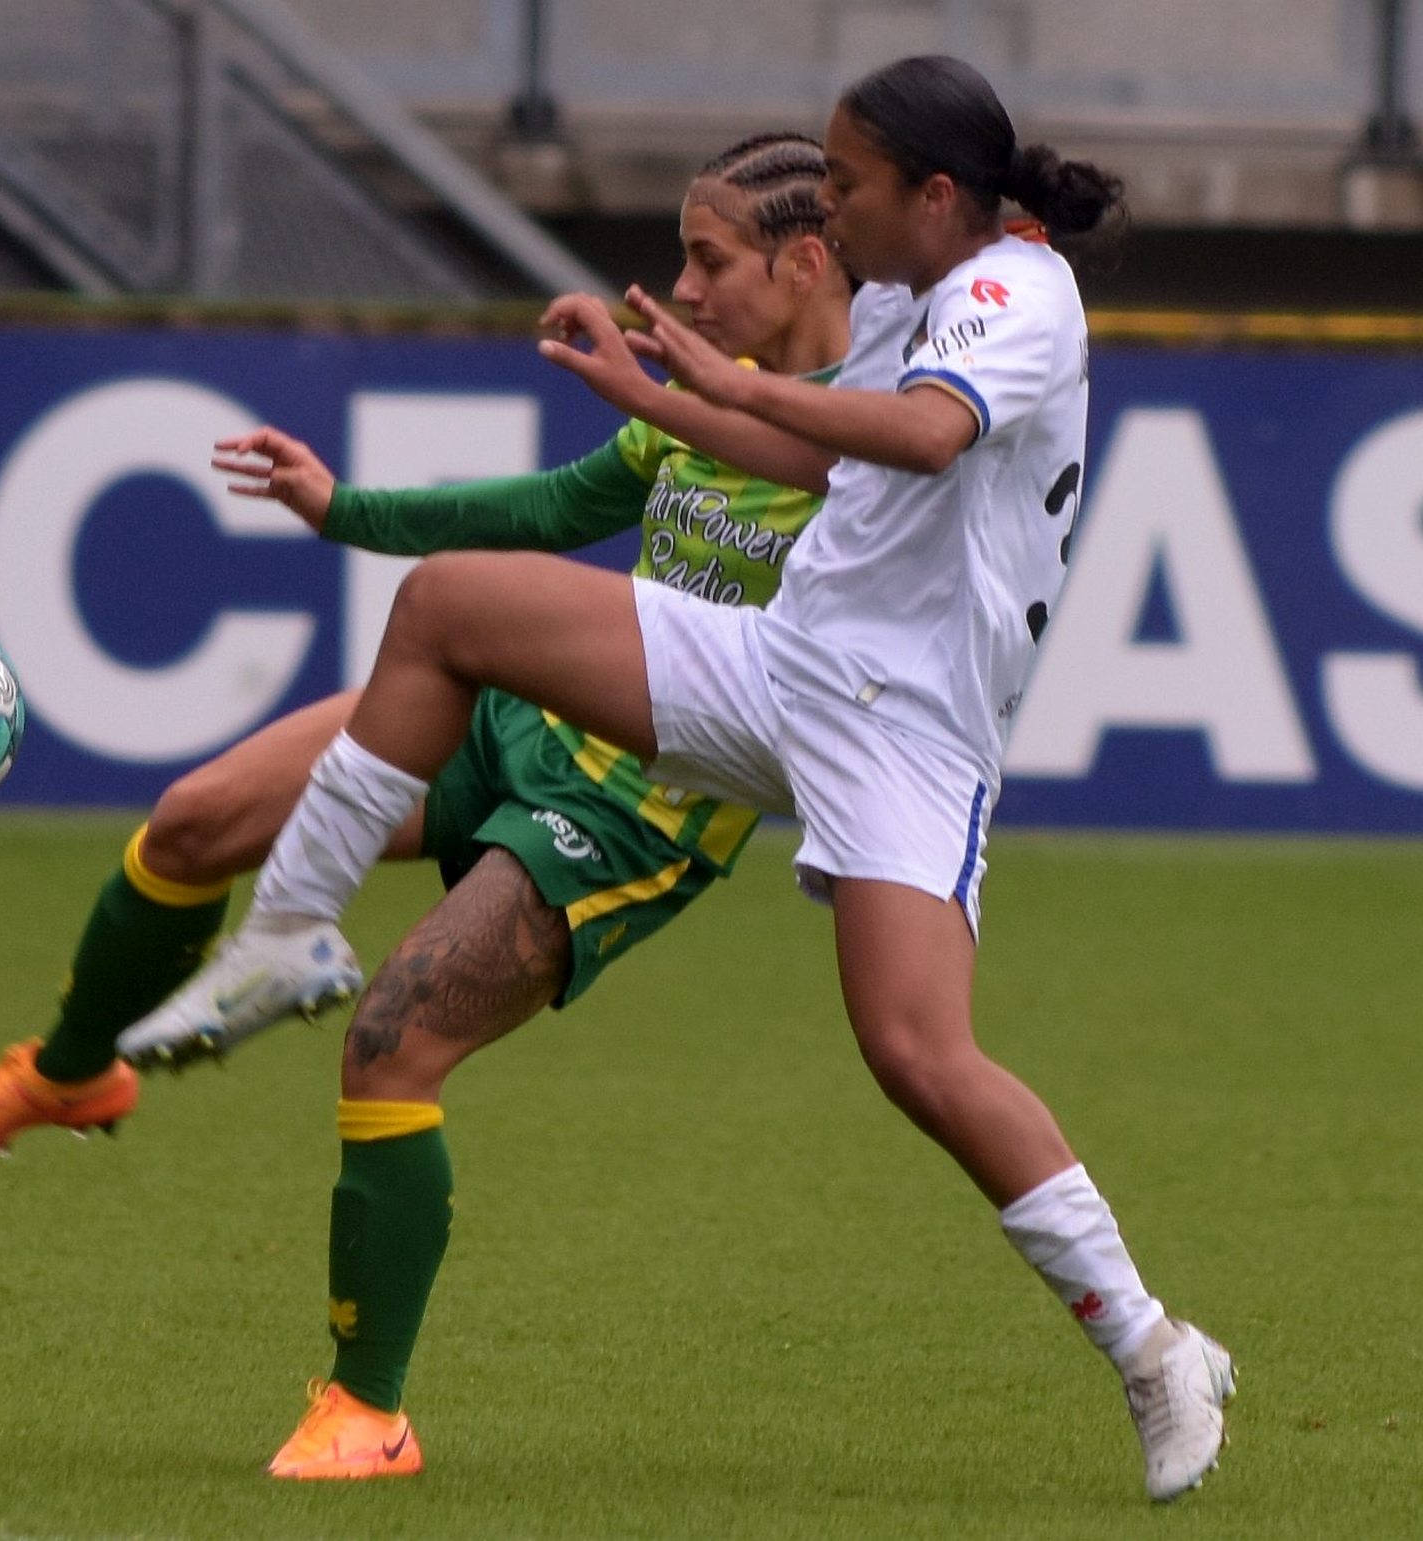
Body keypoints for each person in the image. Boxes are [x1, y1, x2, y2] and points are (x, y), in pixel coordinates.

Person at [127, 56, 1235, 1502]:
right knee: (453, 605)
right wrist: (650, 391)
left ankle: (1155, 1347)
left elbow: (923, 432)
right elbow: (811, 456)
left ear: (936, 194)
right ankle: (285, 933)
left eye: (846, 184)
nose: (828, 211)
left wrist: (713, 374)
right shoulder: (905, 287)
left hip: (906, 730)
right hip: (780, 662)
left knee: (918, 1056)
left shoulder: (1018, 300)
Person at [0, 133, 852, 1178]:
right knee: (193, 820)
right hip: (522, 711)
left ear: (802, 263)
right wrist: (341, 505)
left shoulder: (879, 433)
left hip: (639, 804)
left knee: (390, 1048)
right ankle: (67, 1071)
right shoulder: (718, 395)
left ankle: (358, 1355)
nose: (680, 287)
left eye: (708, 260)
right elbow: (555, 505)